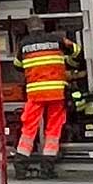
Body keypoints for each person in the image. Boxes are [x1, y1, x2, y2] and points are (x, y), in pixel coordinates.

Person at [13, 19, 72, 176]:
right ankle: (47, 168)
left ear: (29, 29)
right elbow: (76, 50)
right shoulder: (57, 39)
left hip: (35, 93)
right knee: (54, 128)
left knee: (29, 128)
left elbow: (17, 65)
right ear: (44, 27)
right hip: (56, 92)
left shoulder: (23, 44)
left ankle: (20, 167)